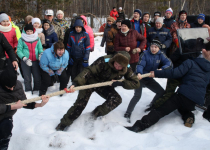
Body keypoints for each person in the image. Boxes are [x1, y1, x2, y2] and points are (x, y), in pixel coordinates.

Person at [125, 41, 210, 132]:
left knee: (160, 111)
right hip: (197, 102)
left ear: (203, 51)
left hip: (183, 95)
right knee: (184, 107)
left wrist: (157, 73)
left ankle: (139, 126)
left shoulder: (191, 62)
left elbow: (174, 73)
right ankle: (189, 116)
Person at [55, 51, 140, 131]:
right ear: (114, 60)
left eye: (120, 67)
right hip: (89, 82)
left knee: (116, 99)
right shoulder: (104, 60)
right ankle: (63, 124)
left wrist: (120, 83)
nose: (117, 67)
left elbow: (136, 83)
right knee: (80, 104)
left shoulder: (127, 68)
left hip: (104, 85)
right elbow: (89, 71)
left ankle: (94, 115)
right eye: (116, 64)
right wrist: (76, 83)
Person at [0, 68, 49, 150]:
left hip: (6, 115)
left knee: (6, 129)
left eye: (13, 86)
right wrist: (13, 107)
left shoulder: (18, 85)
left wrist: (40, 104)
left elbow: (24, 102)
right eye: (9, 87)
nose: (12, 89)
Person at [124, 38, 172, 121]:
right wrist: (139, 73)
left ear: (159, 48)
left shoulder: (161, 54)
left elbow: (169, 63)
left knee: (160, 92)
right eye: (152, 47)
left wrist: (161, 69)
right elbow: (140, 65)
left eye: (155, 47)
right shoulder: (145, 54)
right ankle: (128, 113)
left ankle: (152, 105)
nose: (153, 49)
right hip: (140, 78)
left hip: (149, 78)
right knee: (137, 96)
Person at [16, 24, 43, 93]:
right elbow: (19, 50)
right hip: (25, 61)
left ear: (33, 31)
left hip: (35, 61)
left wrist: (41, 54)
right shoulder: (22, 39)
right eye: (27, 31)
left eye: (30, 31)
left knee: (37, 77)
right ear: (25, 31)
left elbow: (40, 48)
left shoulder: (37, 39)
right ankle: (28, 91)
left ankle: (36, 90)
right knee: (27, 78)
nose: (29, 32)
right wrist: (24, 58)